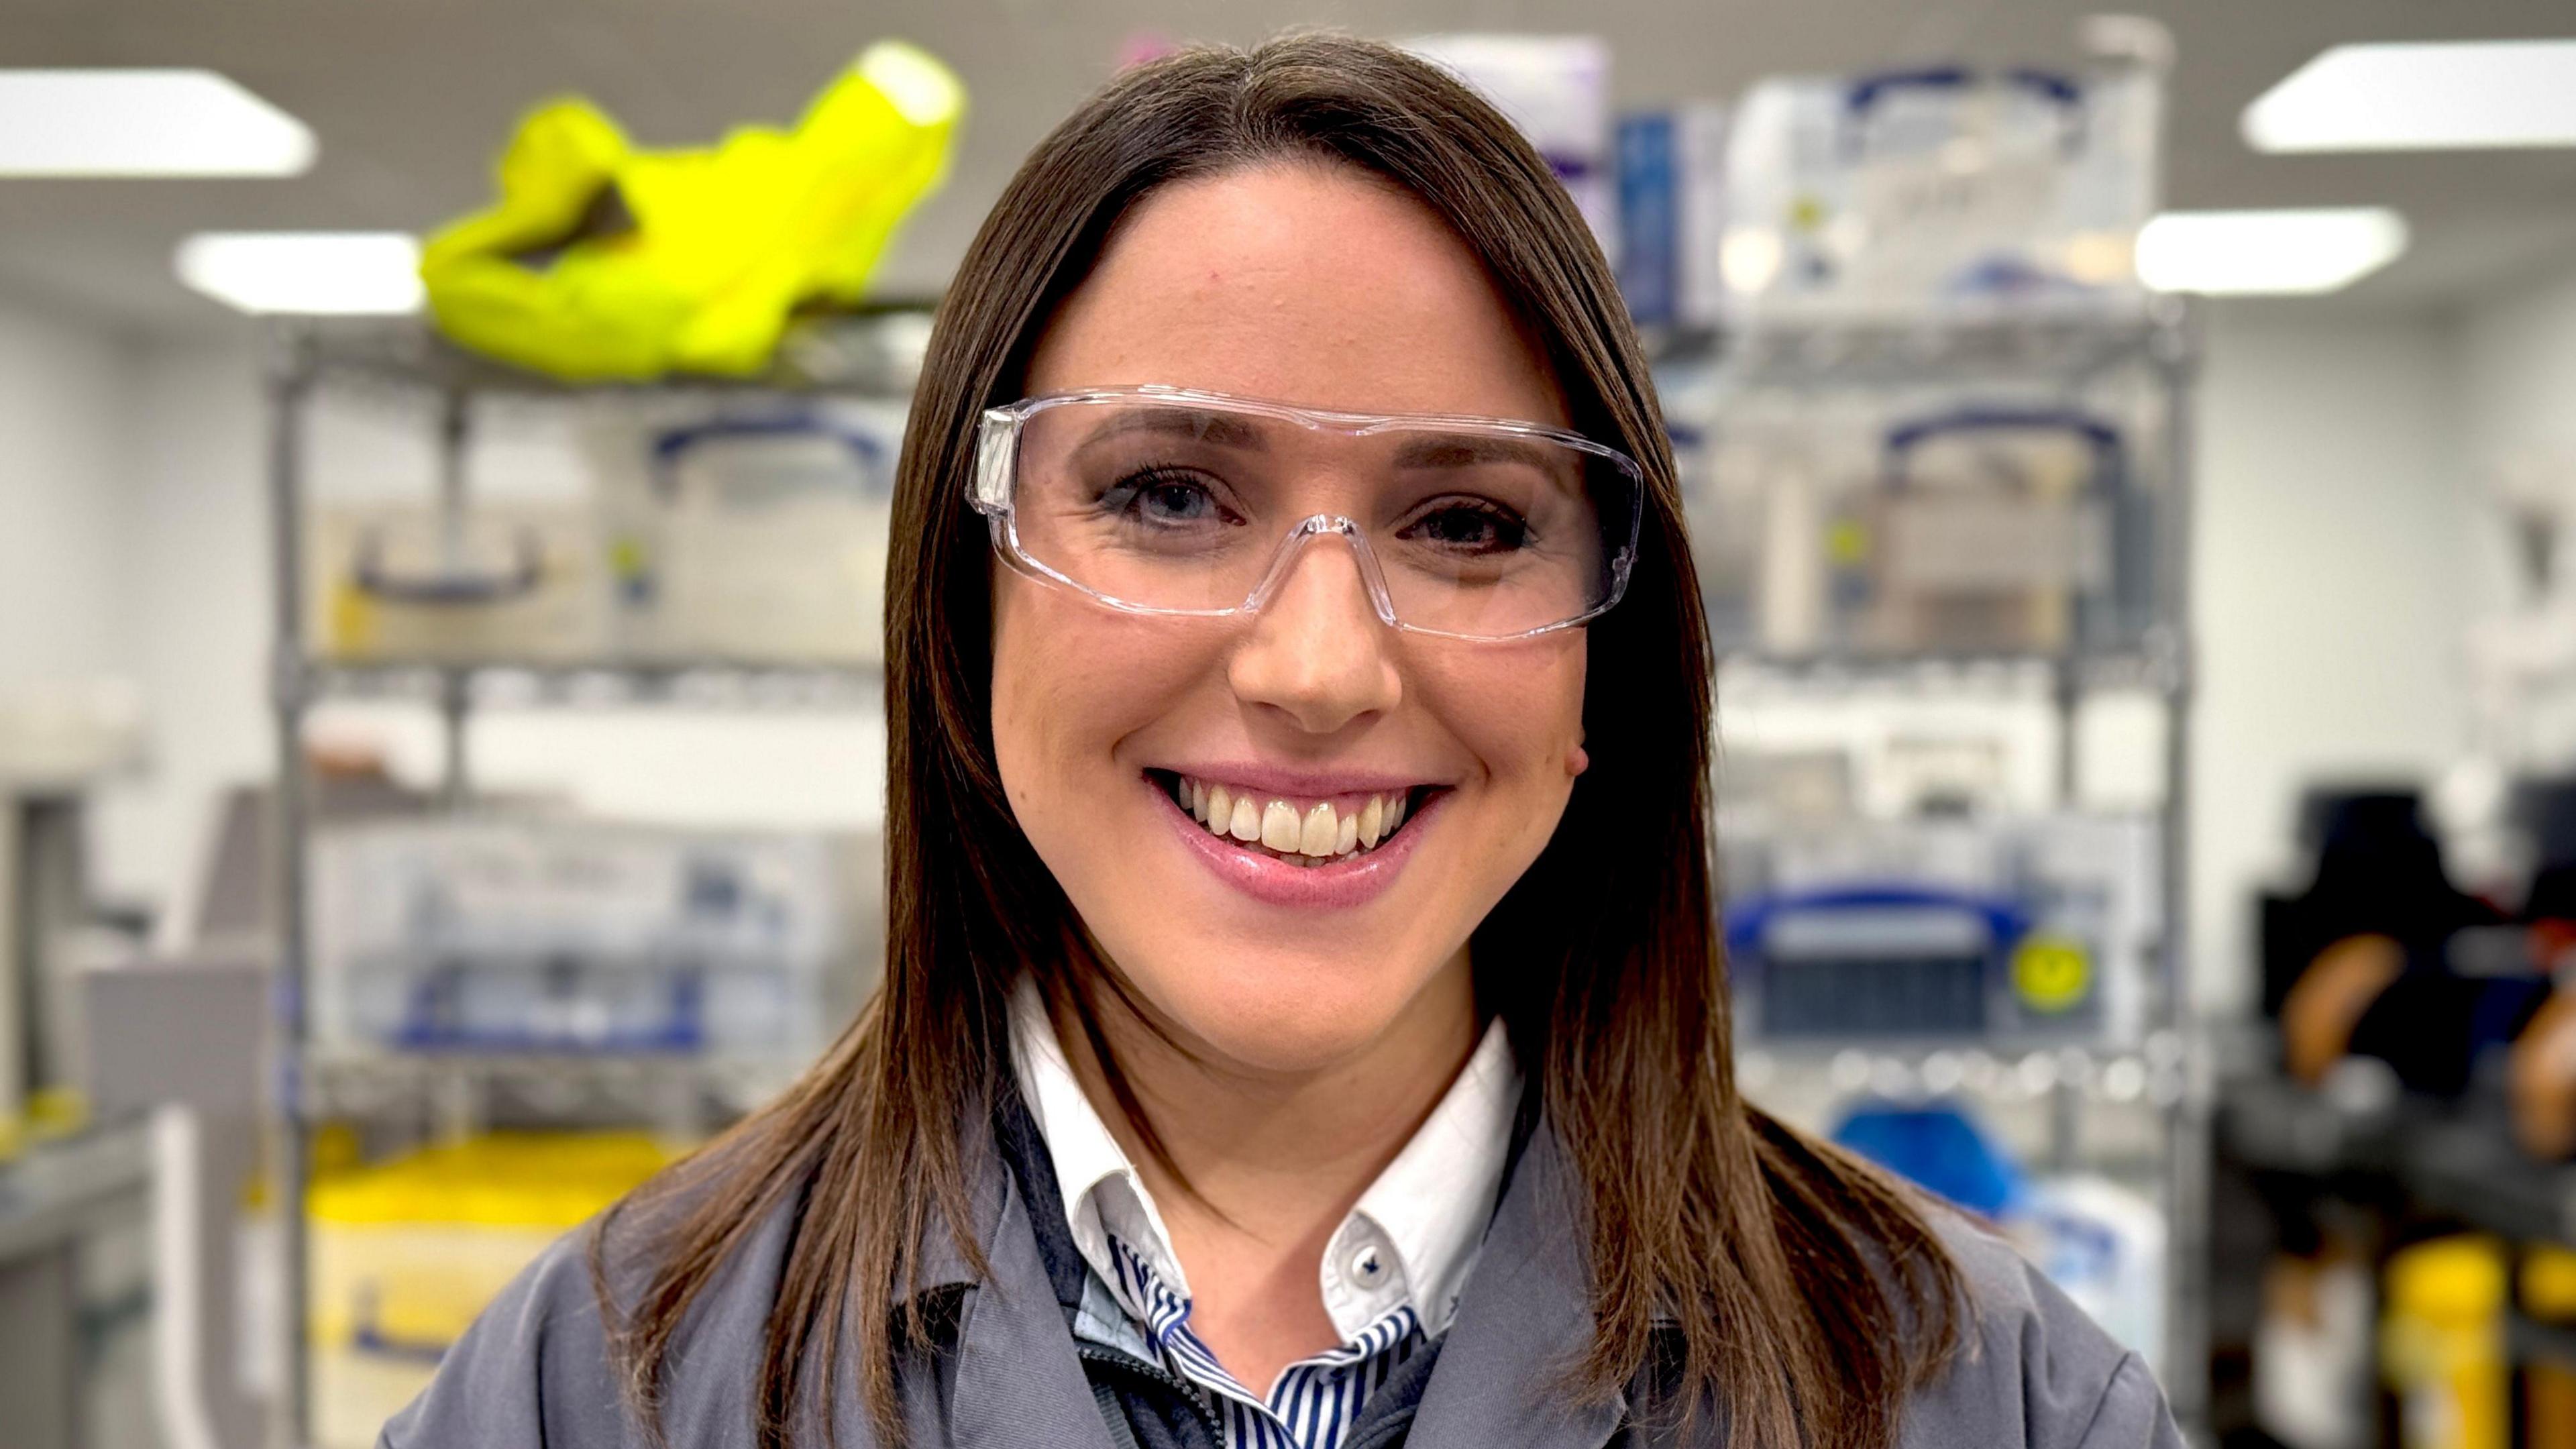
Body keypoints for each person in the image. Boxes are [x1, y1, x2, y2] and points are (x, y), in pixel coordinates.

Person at [381, 33, 2181, 1449]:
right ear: (964, 591)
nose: (1319, 667)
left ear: (1605, 674)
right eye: (1170, 494)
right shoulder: (601, 1385)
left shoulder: (1986, 1396)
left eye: (1469, 525)